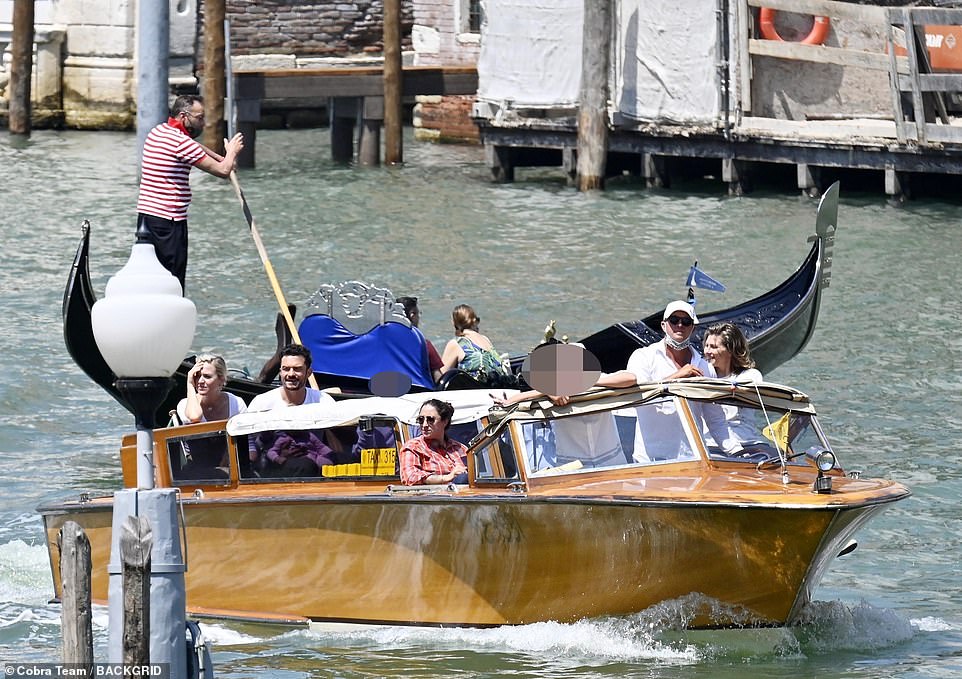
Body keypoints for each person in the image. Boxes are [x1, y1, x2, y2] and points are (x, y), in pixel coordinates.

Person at [595, 300, 737, 461]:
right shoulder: (643, 357)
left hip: (694, 459)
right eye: (674, 320)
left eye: (686, 321)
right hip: (650, 461)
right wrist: (676, 378)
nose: (680, 325)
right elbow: (638, 397)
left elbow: (715, 418)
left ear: (693, 328)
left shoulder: (705, 367)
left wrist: (737, 451)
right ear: (664, 325)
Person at [136, 94, 245, 291]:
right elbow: (223, 172)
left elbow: (196, 148)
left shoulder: (159, 131)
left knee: (153, 277)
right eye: (200, 118)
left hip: (146, 219)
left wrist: (221, 157)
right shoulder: (181, 144)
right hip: (169, 222)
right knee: (173, 280)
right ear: (184, 116)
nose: (203, 124)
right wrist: (232, 153)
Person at [703, 322, 764, 446]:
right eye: (706, 346)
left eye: (713, 347)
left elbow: (749, 386)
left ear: (730, 350)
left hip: (745, 442)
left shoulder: (751, 375)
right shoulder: (703, 375)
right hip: (708, 444)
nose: (707, 351)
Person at [246, 344, 334, 412]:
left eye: (297, 369)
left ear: (308, 373)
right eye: (286, 369)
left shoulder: (324, 402)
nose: (291, 374)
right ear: (280, 372)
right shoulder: (261, 404)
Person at [399, 399, 468, 485]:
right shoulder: (413, 447)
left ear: (445, 422)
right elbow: (410, 477)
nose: (424, 425)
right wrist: (447, 477)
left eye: (430, 420)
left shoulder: (461, 449)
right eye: (421, 419)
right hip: (430, 497)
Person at [440, 304, 512, 385]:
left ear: (454, 323)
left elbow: (441, 376)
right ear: (474, 321)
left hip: (474, 390)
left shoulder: (457, 343)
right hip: (496, 387)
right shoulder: (485, 339)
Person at [177, 354, 248, 423]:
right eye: (197, 376)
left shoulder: (237, 404)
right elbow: (195, 417)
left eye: (207, 376)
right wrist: (190, 384)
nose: (200, 381)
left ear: (221, 379)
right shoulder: (185, 404)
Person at [397, 295, 443, 382]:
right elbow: (438, 376)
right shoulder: (424, 345)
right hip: (420, 390)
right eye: (418, 313)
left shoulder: (387, 343)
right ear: (412, 315)